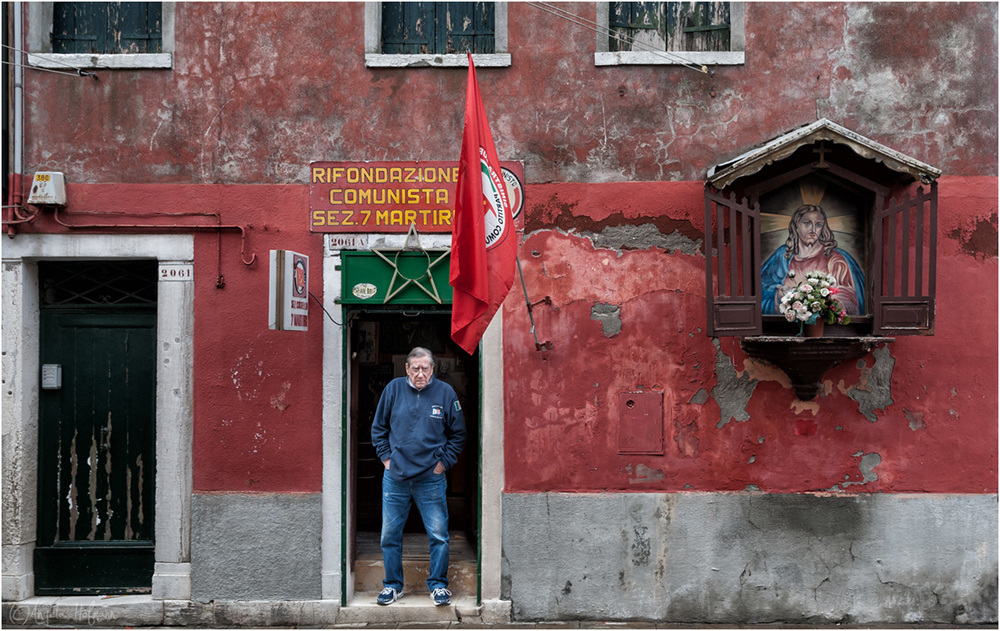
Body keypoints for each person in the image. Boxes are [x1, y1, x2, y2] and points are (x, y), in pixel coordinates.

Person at [370, 347, 466, 606]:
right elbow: (378, 428)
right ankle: (392, 586)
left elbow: (459, 434)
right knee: (390, 534)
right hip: (395, 477)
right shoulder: (393, 389)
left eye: (425, 368)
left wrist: (443, 463)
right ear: (407, 369)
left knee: (438, 534)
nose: (420, 373)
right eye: (415, 368)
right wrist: (386, 459)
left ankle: (438, 586)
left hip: (431, 478)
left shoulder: (445, 393)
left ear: (432, 369)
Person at [761, 204, 865, 316]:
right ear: (797, 225)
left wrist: (824, 303)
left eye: (819, 225)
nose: (813, 229)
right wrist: (779, 295)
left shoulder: (834, 259)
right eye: (807, 223)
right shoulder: (782, 256)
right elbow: (761, 290)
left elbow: (849, 299)